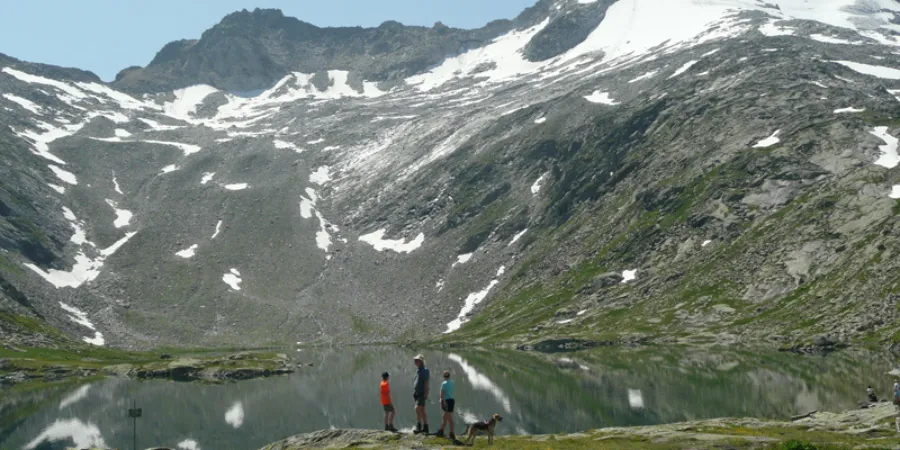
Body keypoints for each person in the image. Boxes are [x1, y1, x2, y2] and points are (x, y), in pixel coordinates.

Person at [435, 369, 456, 440]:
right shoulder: (452, 383)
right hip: (452, 401)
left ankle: (448, 433)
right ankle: (443, 431)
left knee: (448, 417)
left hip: (446, 401)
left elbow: (442, 394)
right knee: (446, 417)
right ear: (449, 376)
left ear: (444, 376)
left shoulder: (443, 384)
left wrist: (441, 401)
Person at [412, 354, 430, 434]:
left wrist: (426, 392)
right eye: (415, 360)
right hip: (417, 393)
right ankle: (425, 427)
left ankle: (418, 426)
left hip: (421, 393)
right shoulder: (418, 370)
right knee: (422, 410)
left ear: (421, 361)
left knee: (417, 408)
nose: (415, 362)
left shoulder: (425, 370)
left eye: (417, 360)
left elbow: (426, 382)